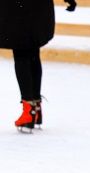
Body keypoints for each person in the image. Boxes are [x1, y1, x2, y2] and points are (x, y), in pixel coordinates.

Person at [0, 0, 77, 133]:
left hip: (18, 8)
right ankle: (35, 108)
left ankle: (28, 112)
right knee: (32, 52)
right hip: (38, 8)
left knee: (21, 53)